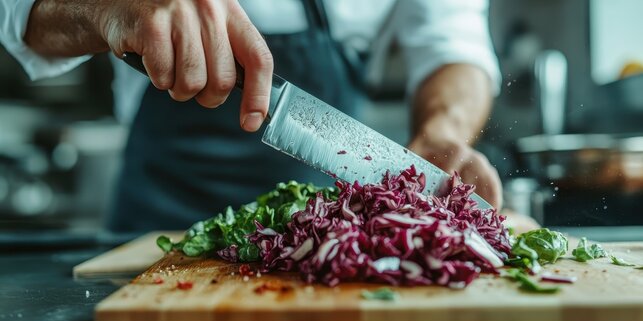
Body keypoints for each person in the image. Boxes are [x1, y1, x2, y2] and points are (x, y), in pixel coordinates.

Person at [0, 0, 503, 232]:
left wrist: (443, 131)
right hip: (153, 232)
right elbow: (18, 13)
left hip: (329, 236)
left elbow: (451, 41)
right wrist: (108, 8)